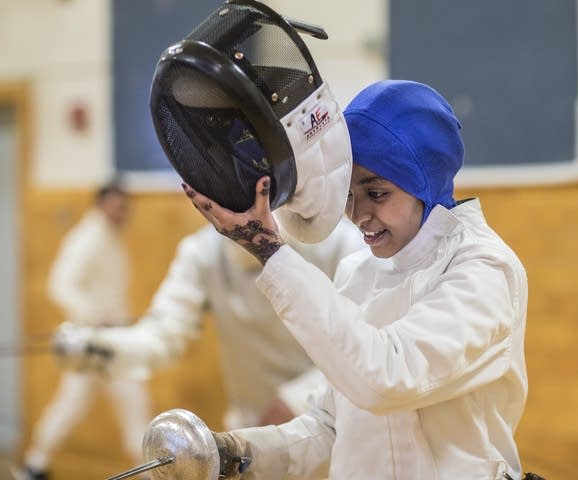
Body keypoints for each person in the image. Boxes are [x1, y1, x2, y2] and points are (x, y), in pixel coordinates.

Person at [182, 80, 529, 480]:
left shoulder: (483, 268)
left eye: (377, 193)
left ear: (424, 181)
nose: (358, 215)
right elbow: (329, 425)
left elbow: (387, 378)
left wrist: (268, 249)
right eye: (348, 196)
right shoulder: (358, 272)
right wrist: (233, 453)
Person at [74, 216, 363, 431]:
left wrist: (297, 400)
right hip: (250, 427)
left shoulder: (338, 243)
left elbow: (362, 349)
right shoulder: (202, 252)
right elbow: (164, 334)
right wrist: (98, 347)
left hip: (331, 424)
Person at [13, 182, 151, 480]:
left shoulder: (107, 236)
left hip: (109, 338)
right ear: (101, 205)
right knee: (128, 402)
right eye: (116, 205)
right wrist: (93, 316)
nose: (121, 212)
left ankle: (34, 465)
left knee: (93, 403)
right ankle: (151, 471)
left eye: (124, 206)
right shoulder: (89, 237)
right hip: (97, 340)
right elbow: (60, 284)